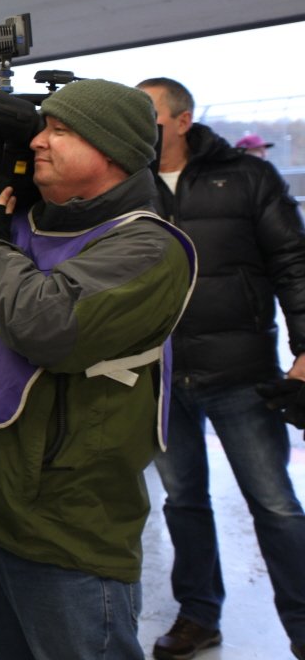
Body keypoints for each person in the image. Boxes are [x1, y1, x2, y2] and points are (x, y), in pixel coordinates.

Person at [0, 79, 195, 659]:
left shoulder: (147, 247)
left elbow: (49, 327)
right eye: (42, 127)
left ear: (112, 150)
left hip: (63, 526)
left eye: (60, 131)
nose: (38, 141)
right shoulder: (23, 222)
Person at [136, 76, 305, 660]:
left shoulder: (247, 177)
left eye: (151, 116)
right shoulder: (127, 187)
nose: (140, 128)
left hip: (241, 374)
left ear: (183, 120)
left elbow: (293, 263)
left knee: (275, 504)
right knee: (182, 502)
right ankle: (198, 616)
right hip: (160, 378)